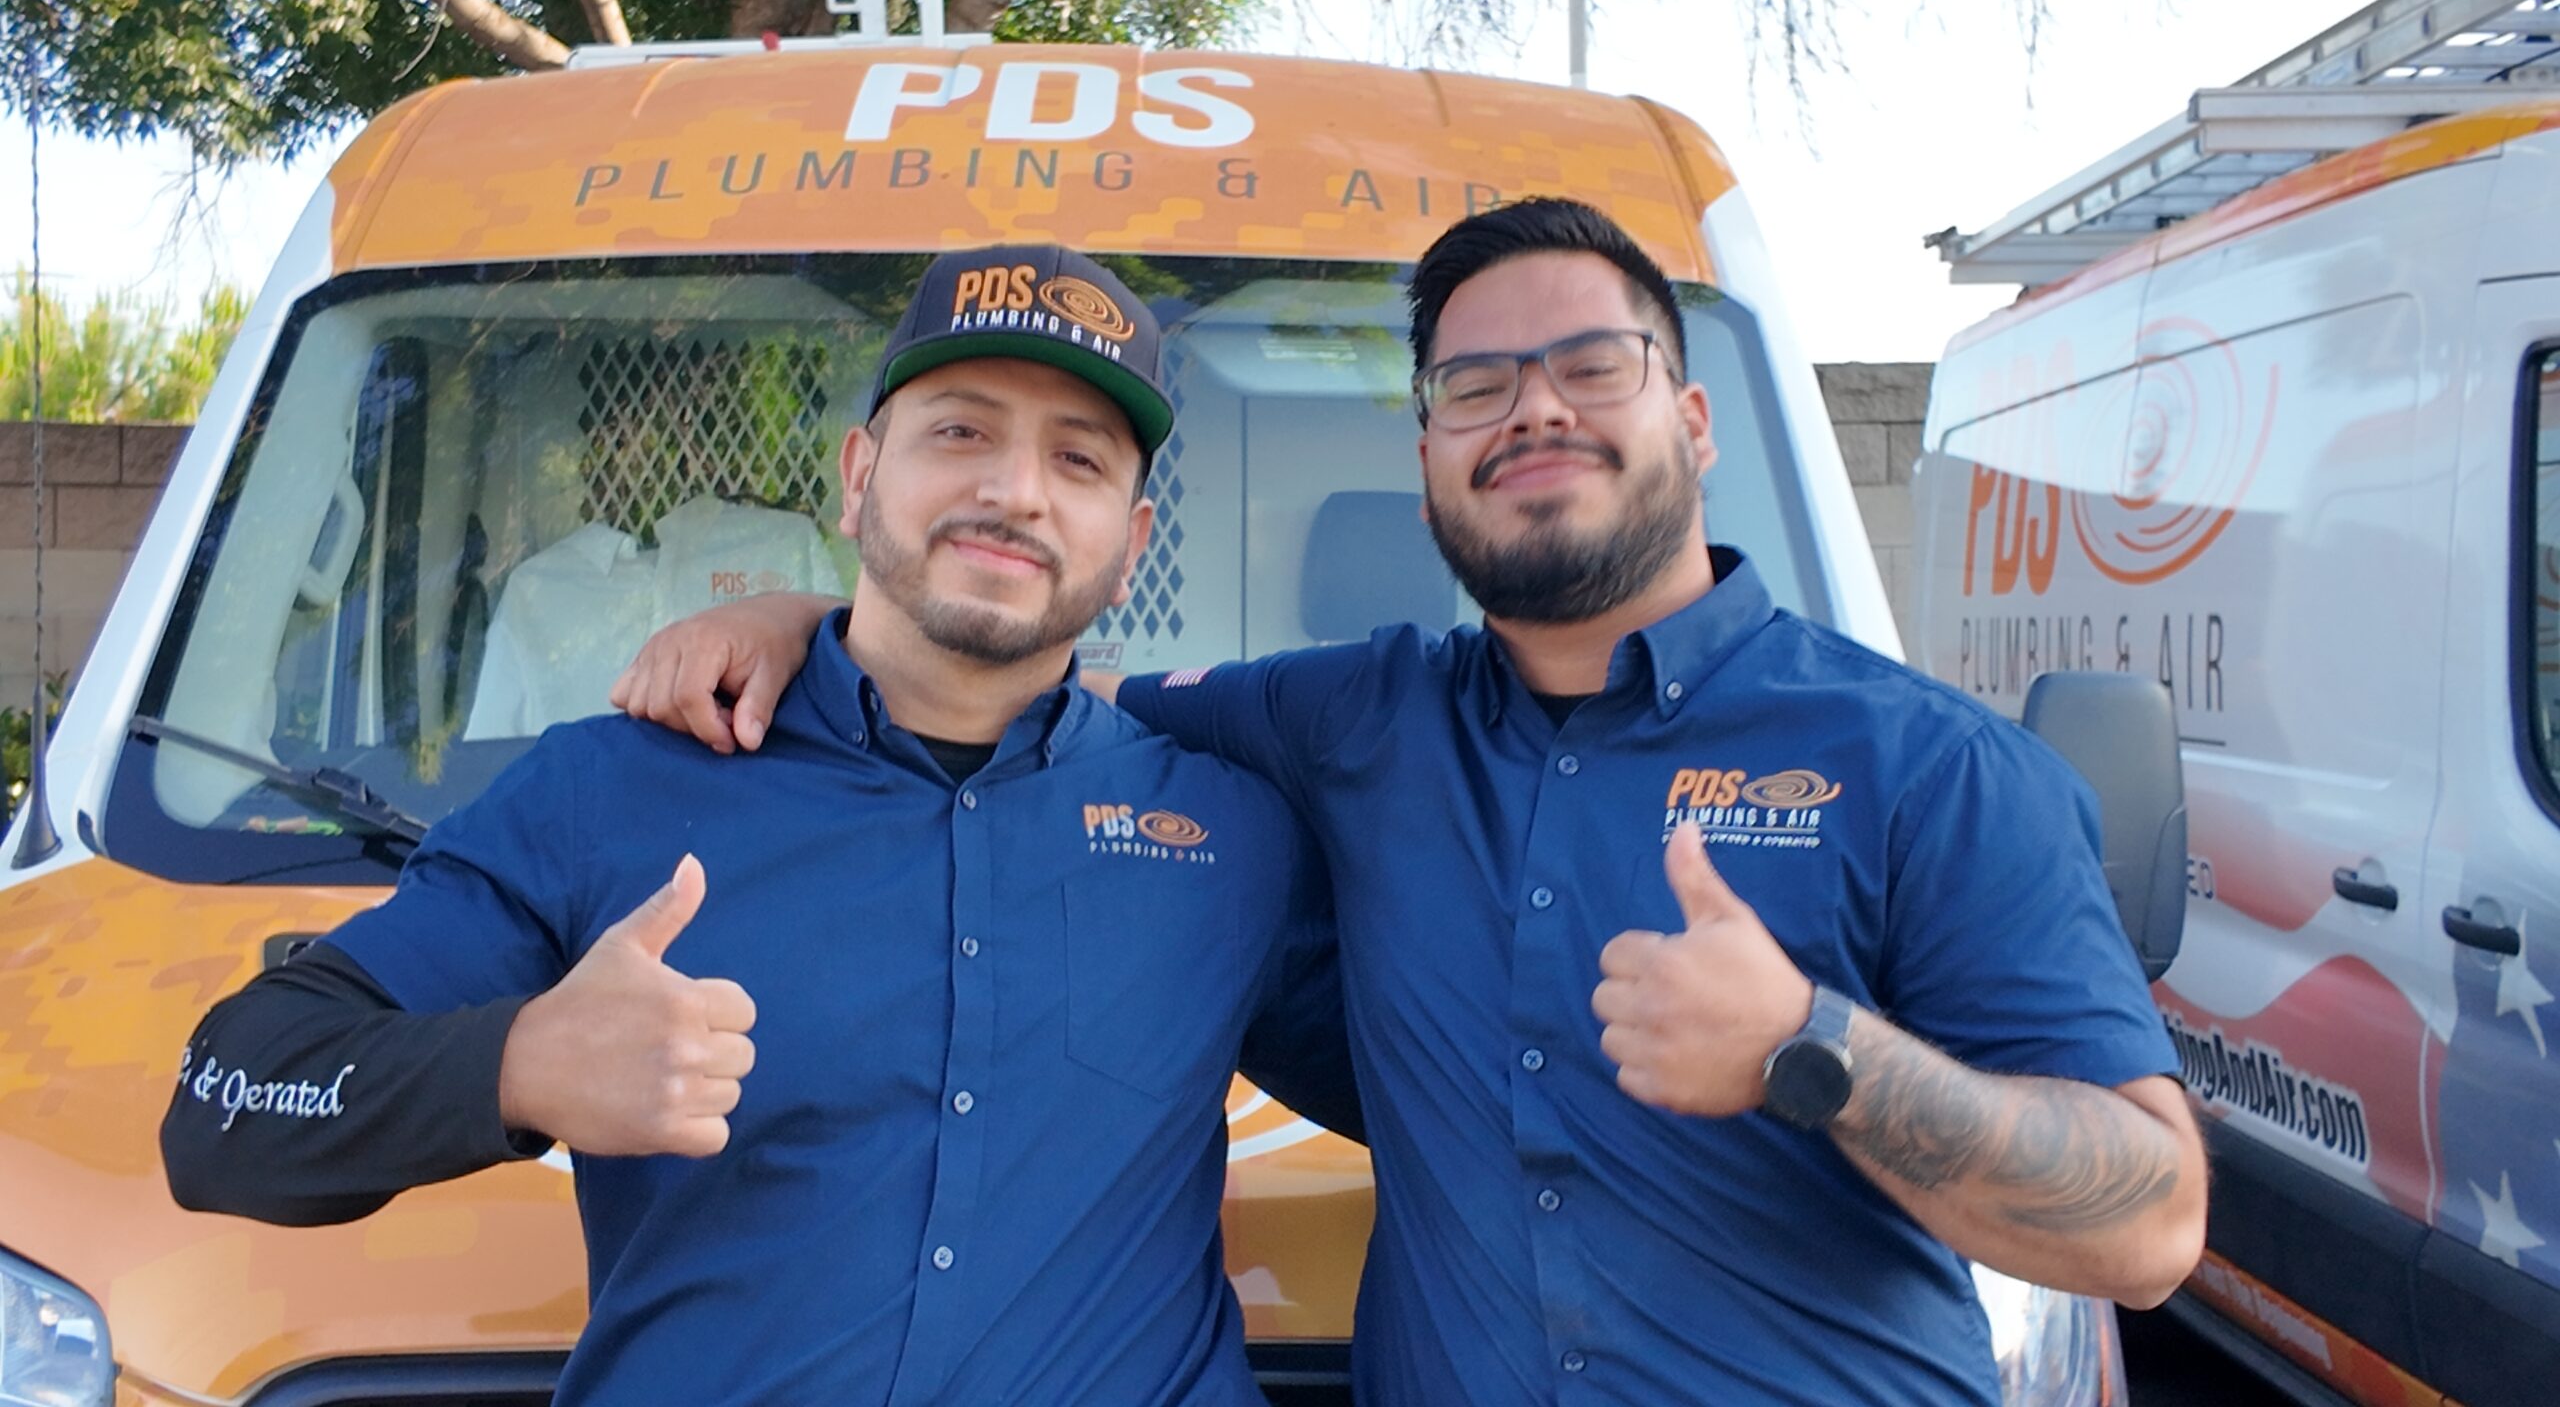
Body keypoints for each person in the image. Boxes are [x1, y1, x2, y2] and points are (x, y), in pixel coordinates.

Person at [616, 199, 2209, 1406]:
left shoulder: (1928, 766)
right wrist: (814, 626)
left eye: (1593, 365)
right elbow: (1027, 685)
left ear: (1694, 420)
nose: (1535, 410)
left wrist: (1813, 1050)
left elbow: (2148, 1229)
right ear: (1432, 446)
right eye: (1475, 384)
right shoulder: (1360, 714)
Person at [159, 245, 1353, 1407]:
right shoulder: (612, 791)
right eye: (960, 432)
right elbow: (223, 1105)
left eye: (1079, 460)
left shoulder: (1228, 832)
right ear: (856, 476)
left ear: (1132, 542)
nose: (1014, 489)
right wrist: (517, 1064)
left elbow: (1472, 1080)